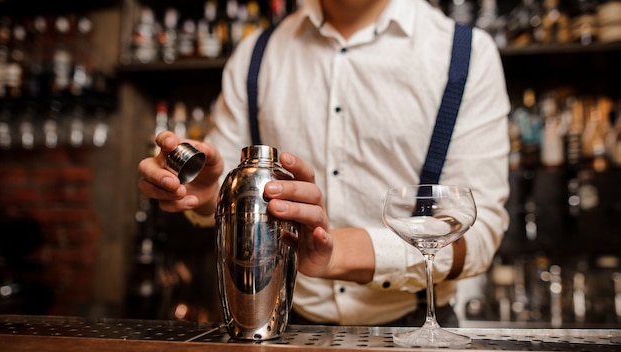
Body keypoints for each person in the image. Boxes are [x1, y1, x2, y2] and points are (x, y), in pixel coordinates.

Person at [138, 0, 510, 327]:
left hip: (420, 332)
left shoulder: (467, 53)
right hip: (280, 326)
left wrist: (336, 252)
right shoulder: (254, 54)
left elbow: (478, 229)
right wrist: (207, 195)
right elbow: (219, 189)